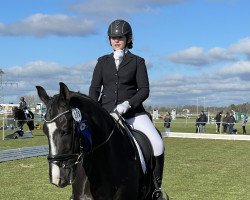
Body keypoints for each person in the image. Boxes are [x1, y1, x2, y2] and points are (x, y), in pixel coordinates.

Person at [89, 19, 166, 199]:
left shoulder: (137, 61)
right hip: (106, 113)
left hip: (132, 114)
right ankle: (79, 188)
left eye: (120, 37)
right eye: (113, 37)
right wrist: (95, 110)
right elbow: (94, 88)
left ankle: (156, 189)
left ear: (127, 38)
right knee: (85, 143)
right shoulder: (102, 61)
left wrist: (127, 104)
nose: (116, 40)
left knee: (157, 144)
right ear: (109, 39)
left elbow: (144, 90)